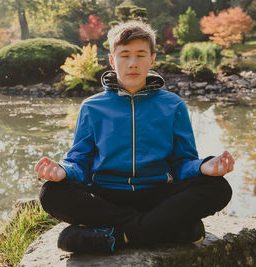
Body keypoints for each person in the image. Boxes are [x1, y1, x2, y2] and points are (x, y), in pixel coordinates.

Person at [34, 21, 234, 254]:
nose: (132, 63)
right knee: (51, 192)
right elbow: (80, 161)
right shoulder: (92, 107)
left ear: (152, 59)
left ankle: (120, 235)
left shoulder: (173, 105)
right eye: (125, 55)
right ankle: (162, 228)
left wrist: (203, 167)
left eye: (140, 55)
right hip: (106, 197)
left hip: (157, 193)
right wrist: (63, 170)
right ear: (112, 60)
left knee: (218, 188)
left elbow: (181, 163)